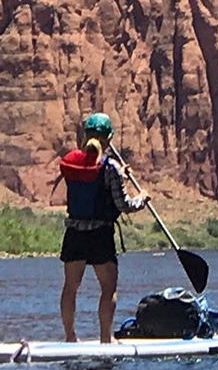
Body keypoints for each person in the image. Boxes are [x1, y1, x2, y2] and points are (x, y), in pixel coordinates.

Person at [50, 113, 149, 343]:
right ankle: (106, 338)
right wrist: (142, 198)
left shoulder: (72, 162)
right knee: (108, 287)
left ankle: (70, 337)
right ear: (109, 138)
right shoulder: (110, 167)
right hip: (100, 235)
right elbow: (124, 205)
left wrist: (119, 175)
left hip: (74, 234)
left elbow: (90, 174)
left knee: (70, 287)